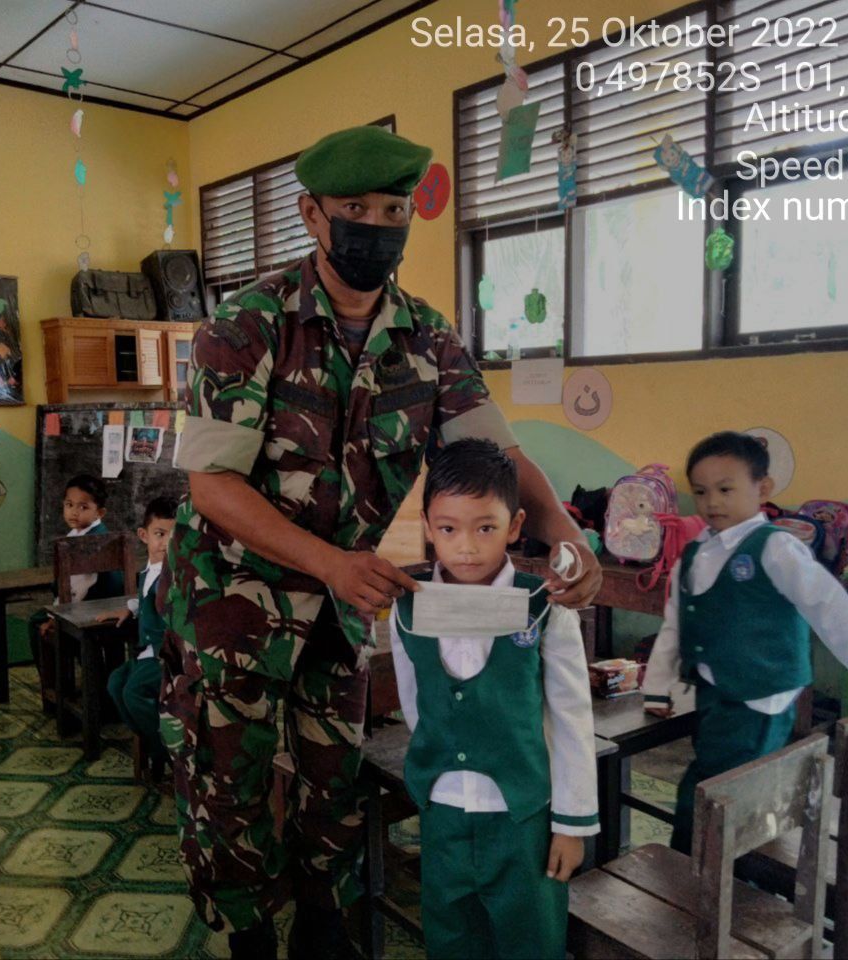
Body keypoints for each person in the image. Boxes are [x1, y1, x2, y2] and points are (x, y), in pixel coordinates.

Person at [161, 124, 602, 959]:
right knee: (230, 789)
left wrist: (567, 537)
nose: (375, 225)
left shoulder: (429, 339)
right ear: (311, 215)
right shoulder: (249, 324)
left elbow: (498, 454)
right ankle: (250, 937)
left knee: (334, 780)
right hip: (232, 609)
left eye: (393, 209)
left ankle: (327, 930)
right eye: (353, 209)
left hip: (342, 610)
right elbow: (210, 484)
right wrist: (329, 563)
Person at [641, 431, 848, 853]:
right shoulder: (696, 552)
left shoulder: (776, 548)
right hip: (715, 694)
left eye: (725, 489)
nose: (712, 502)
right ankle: (726, 869)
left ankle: (696, 873)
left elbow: (832, 610)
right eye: (700, 492)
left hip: (759, 699)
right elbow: (676, 624)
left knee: (709, 796)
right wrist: (658, 686)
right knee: (726, 788)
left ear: (763, 489)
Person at [389, 439, 598, 960]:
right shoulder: (407, 610)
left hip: (522, 818)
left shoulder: (545, 606)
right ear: (428, 525)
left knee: (531, 939)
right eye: (448, 528)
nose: (465, 547)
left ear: (515, 524)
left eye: (485, 527)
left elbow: (572, 717)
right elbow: (417, 705)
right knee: (452, 937)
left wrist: (571, 824)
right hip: (443, 815)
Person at [30, 474, 126, 711]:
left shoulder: (84, 543)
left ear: (99, 512)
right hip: (106, 605)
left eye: (83, 507)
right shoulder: (96, 534)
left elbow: (77, 590)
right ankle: (85, 685)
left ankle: (58, 693)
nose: (74, 512)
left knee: (37, 623)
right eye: (69, 505)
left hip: (90, 610)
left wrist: (54, 618)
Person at [100, 496, 176, 780]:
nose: (167, 543)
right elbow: (144, 598)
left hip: (163, 655)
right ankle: (154, 741)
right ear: (144, 536)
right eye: (160, 534)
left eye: (174, 535)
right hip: (146, 651)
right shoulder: (148, 571)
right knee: (115, 683)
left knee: (134, 692)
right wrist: (131, 608)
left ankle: (167, 751)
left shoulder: (174, 575)